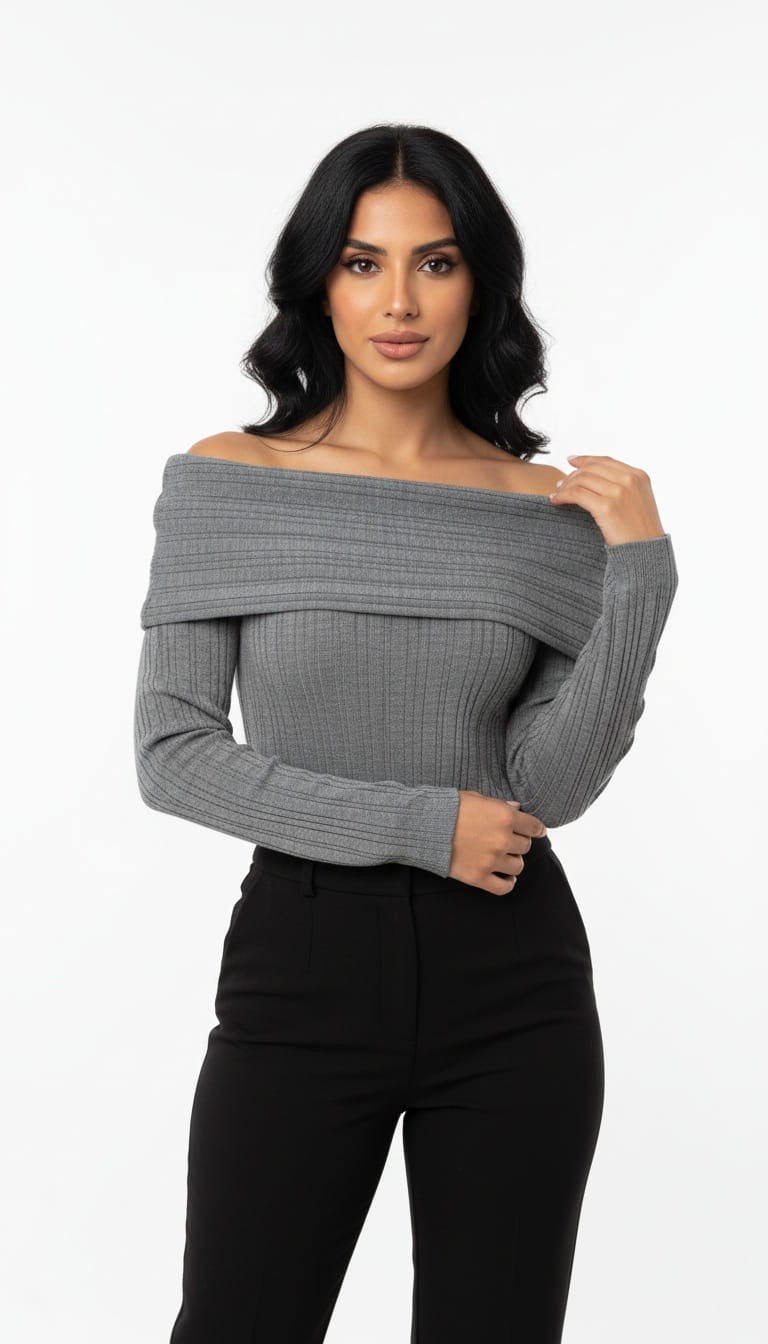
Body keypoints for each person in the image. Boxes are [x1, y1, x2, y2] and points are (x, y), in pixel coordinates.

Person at [134, 122, 679, 1343]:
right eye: (362, 262)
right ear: (317, 283)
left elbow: (550, 787)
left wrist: (640, 577)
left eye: (435, 263)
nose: (398, 301)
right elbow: (172, 753)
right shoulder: (230, 479)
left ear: (478, 283)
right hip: (302, 959)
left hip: (514, 976)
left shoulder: (547, 514)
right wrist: (423, 825)